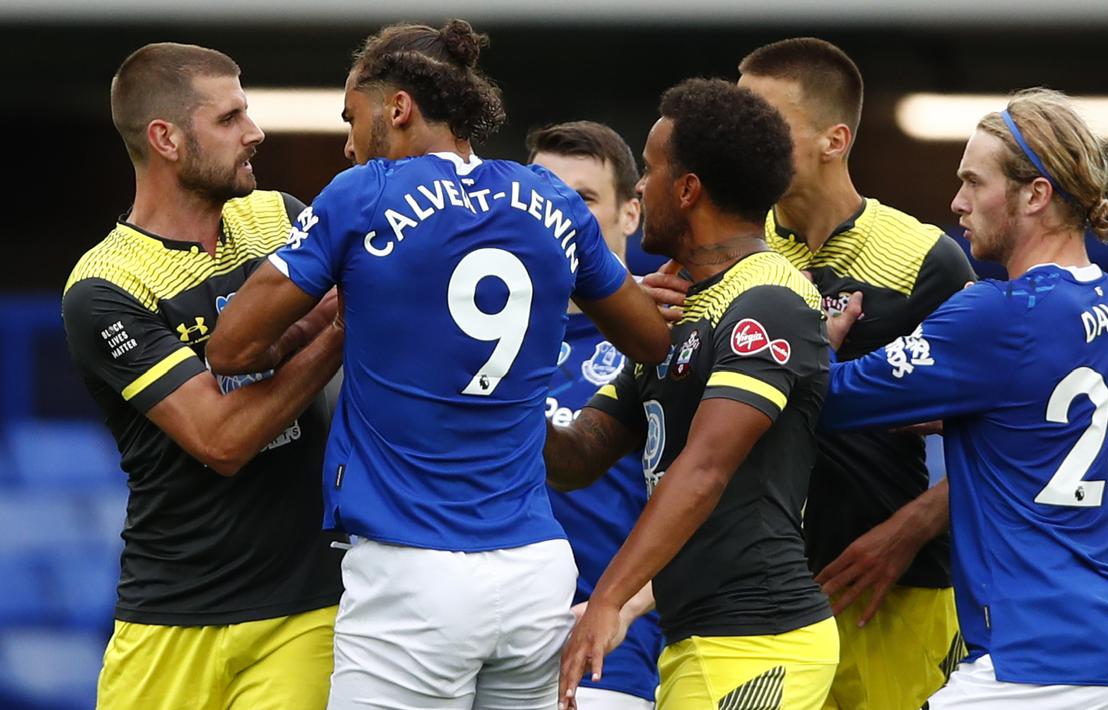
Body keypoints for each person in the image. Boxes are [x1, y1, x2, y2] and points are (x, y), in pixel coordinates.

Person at [205, 20, 669, 710]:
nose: (347, 141)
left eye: (350, 116)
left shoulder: (361, 195)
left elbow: (230, 348)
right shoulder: (552, 202)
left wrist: (347, 313)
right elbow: (649, 343)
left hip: (411, 572)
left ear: (397, 109)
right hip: (536, 572)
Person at [822, 87, 1108, 708]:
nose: (956, 202)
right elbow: (1033, 416)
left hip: (1037, 666)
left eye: (973, 182)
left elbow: (830, 400)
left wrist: (820, 341)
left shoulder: (998, 313)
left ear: (1035, 194)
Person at [643, 38, 974, 709]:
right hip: (748, 607)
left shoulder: (924, 260)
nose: (739, 139)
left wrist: (906, 530)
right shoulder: (721, 251)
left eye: (763, 123)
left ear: (834, 140)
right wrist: (647, 324)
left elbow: (1003, 429)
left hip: (888, 589)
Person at [62, 43, 344, 710]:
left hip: (304, 608)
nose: (255, 132)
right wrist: (337, 332)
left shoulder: (281, 219)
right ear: (165, 138)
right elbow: (219, 440)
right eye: (230, 119)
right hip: (166, 615)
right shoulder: (106, 285)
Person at [549, 78, 838, 710]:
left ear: (687, 190)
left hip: (760, 640)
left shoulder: (770, 299)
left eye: (649, 171)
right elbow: (574, 459)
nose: (641, 189)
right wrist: (515, 361)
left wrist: (607, 600)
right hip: (703, 641)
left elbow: (703, 469)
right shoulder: (683, 311)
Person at [527, 121, 662, 710]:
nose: (555, 218)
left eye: (580, 199)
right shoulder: (480, 325)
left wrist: (627, 604)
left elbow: (715, 495)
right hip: (487, 638)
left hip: (611, 649)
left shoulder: (666, 336)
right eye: (542, 198)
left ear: (631, 213)